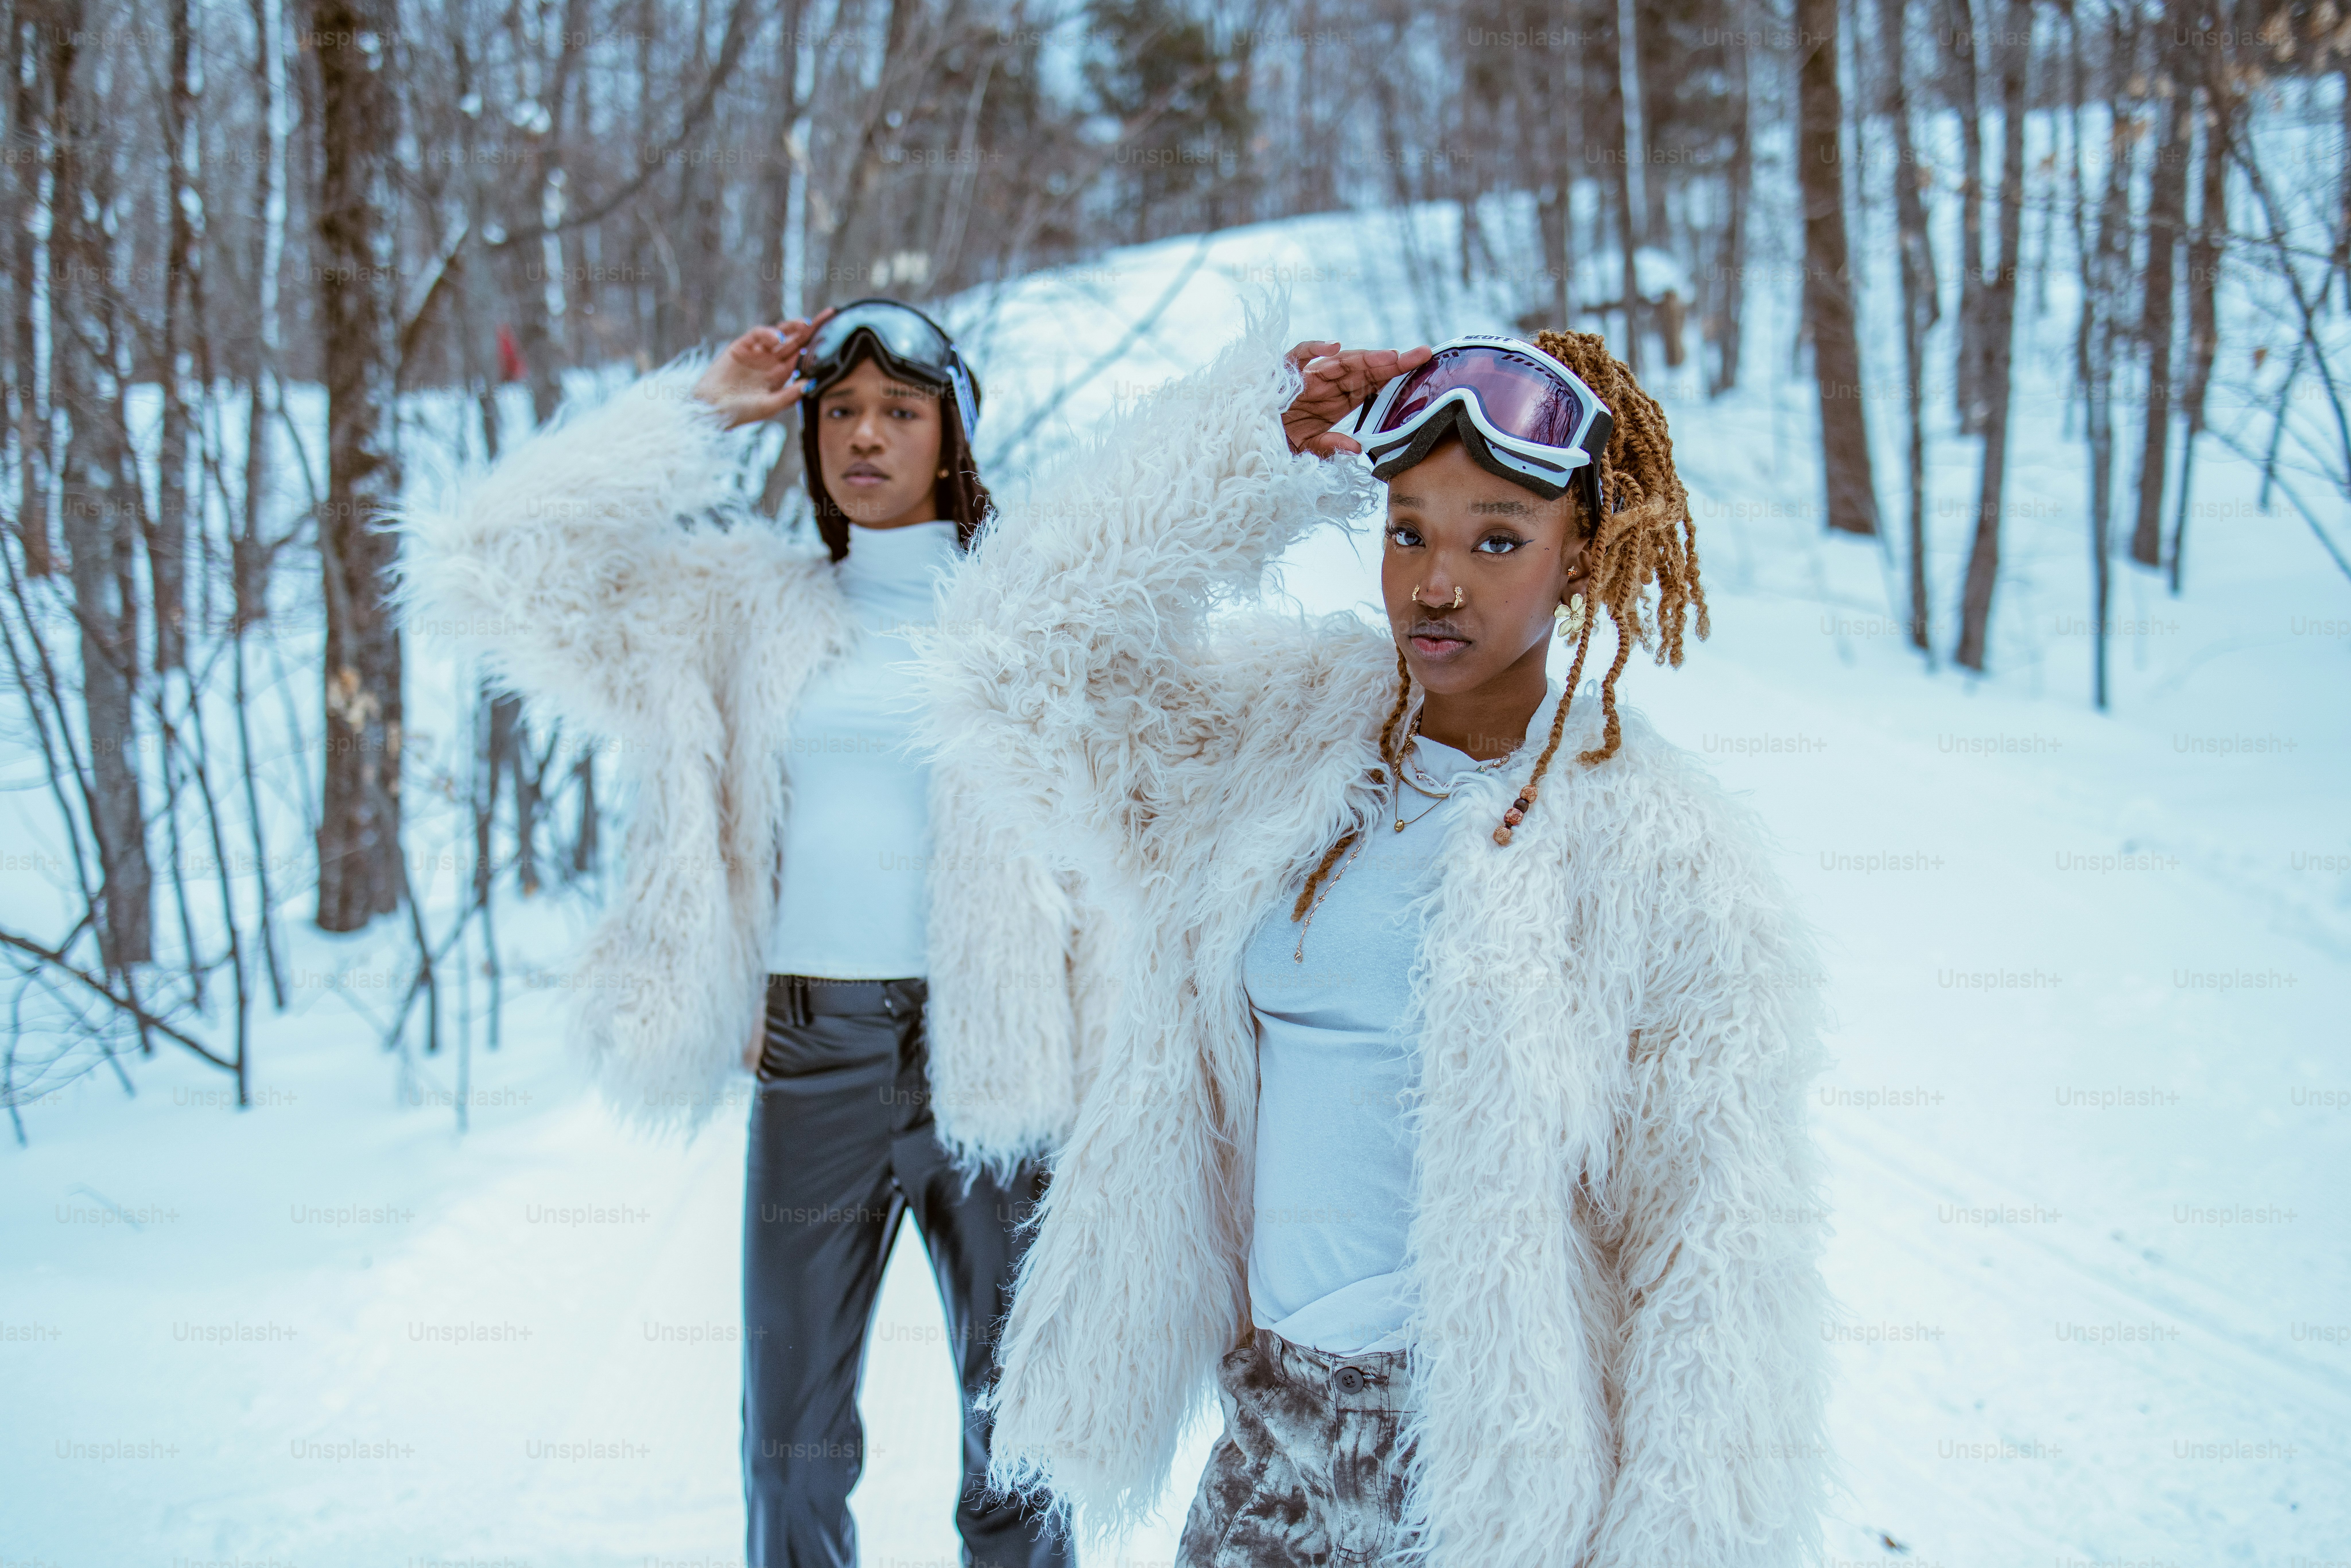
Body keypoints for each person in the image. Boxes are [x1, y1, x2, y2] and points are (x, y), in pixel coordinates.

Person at [917, 317, 1830, 1566]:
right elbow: (1013, 665)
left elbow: (1714, 1266)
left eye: (1495, 538)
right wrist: (1247, 443)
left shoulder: (1666, 856)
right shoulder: (1279, 747)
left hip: (1483, 1479)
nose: (1435, 581)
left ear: (1581, 556)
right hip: (1270, 1437)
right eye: (1407, 529)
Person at [398, 299, 1089, 1568]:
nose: (863, 436)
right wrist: (699, 413)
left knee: (1026, 1438)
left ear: (955, 436)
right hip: (813, 1055)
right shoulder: (739, 609)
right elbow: (484, 562)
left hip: (1002, 1063)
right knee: (789, 1446)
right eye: (838, 412)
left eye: (899, 410)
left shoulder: (1033, 613)